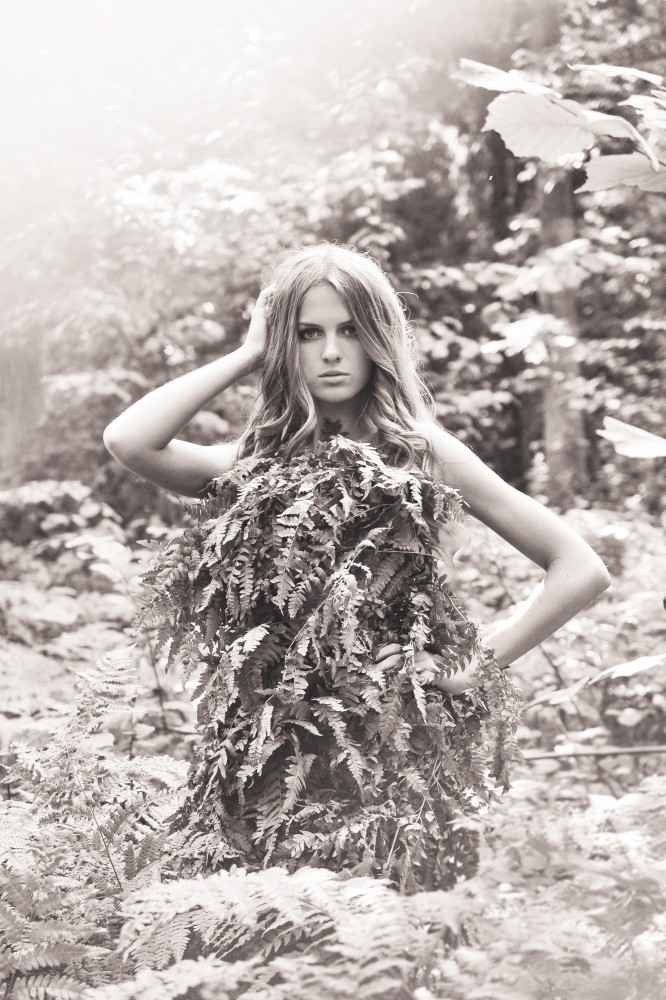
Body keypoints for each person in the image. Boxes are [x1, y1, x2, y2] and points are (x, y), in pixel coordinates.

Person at [103, 242, 611, 888]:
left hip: (388, 754)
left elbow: (579, 567)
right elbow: (129, 440)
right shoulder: (256, 463)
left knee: (386, 926)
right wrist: (250, 351)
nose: (332, 352)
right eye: (307, 334)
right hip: (265, 756)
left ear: (378, 337)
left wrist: (473, 666)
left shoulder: (419, 452)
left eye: (350, 330)